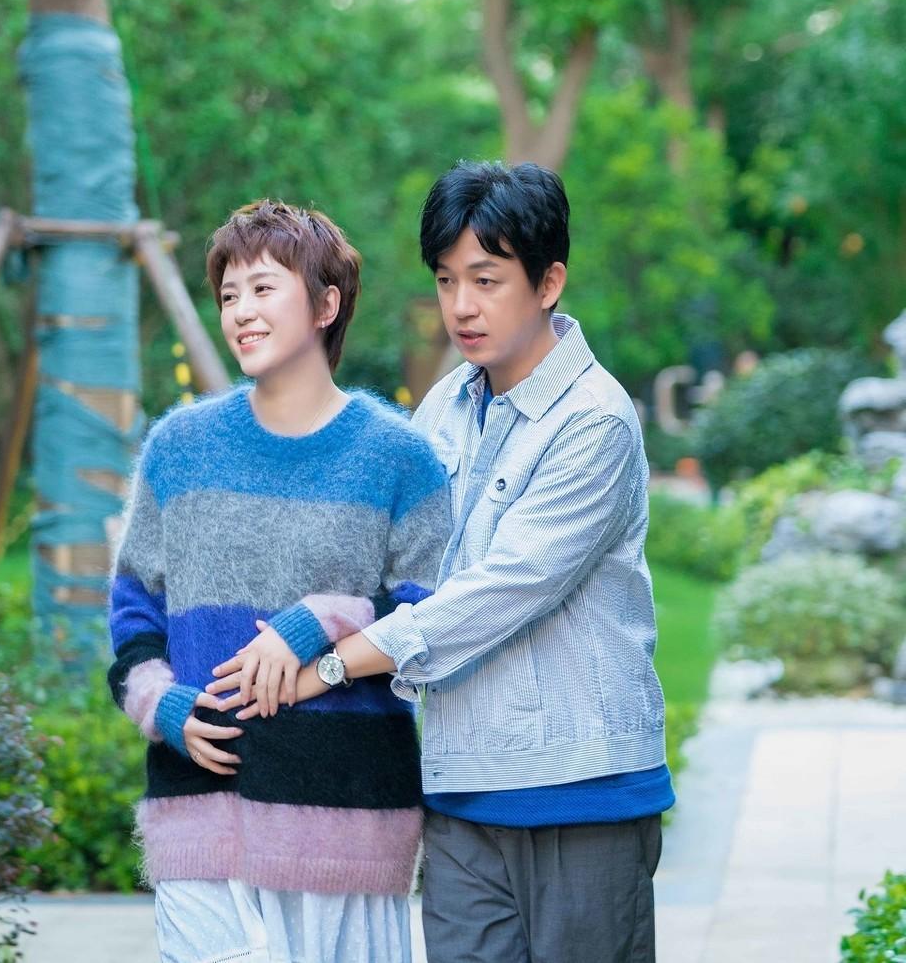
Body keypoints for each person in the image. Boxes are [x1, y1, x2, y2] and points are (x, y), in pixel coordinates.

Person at [211, 162, 674, 963]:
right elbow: (382, 554)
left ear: (549, 282)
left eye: (486, 280)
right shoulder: (445, 408)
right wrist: (296, 628)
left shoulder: (595, 421)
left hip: (582, 790)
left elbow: (501, 592)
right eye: (446, 279)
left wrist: (329, 666)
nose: (461, 305)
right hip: (462, 790)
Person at [107, 199, 451, 963]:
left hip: (346, 823)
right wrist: (163, 707)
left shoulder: (399, 458)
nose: (240, 311)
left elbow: (431, 617)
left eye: (263, 288)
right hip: (198, 817)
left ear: (326, 306)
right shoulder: (178, 448)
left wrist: (322, 618)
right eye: (229, 294)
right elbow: (134, 620)